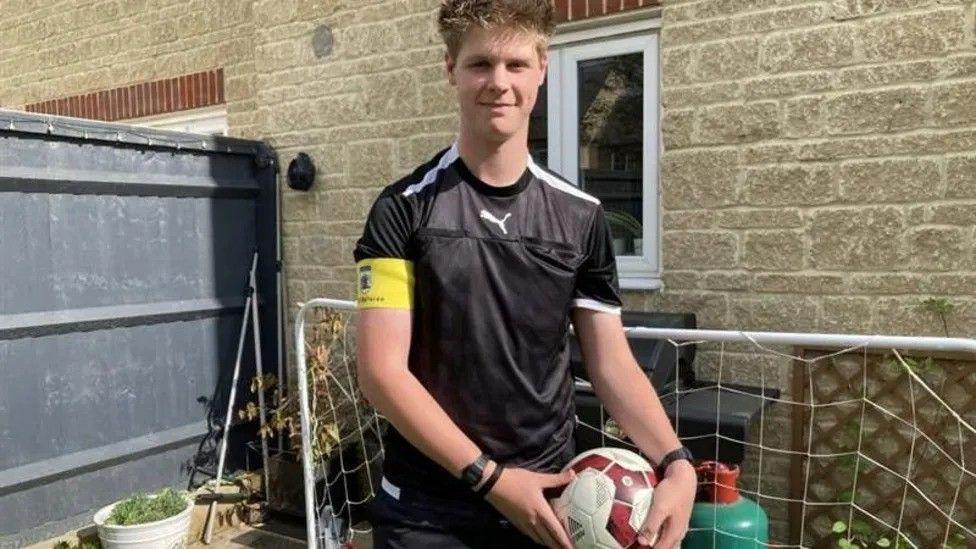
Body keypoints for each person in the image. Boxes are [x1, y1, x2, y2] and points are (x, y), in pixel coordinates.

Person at [353, 1, 696, 547]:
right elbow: (381, 372)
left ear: (542, 68)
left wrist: (677, 462)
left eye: (516, 65)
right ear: (450, 70)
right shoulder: (402, 209)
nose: (499, 83)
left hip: (551, 503)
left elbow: (609, 362)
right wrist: (491, 479)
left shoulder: (581, 216)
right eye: (479, 64)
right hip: (428, 510)